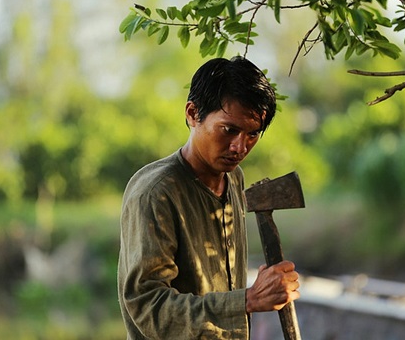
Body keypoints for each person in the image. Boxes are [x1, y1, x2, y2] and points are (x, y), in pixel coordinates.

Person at [117, 56, 300, 339]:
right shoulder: (156, 193)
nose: (240, 147)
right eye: (229, 130)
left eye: (253, 134)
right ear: (192, 113)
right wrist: (247, 300)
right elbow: (147, 307)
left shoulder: (234, 177)